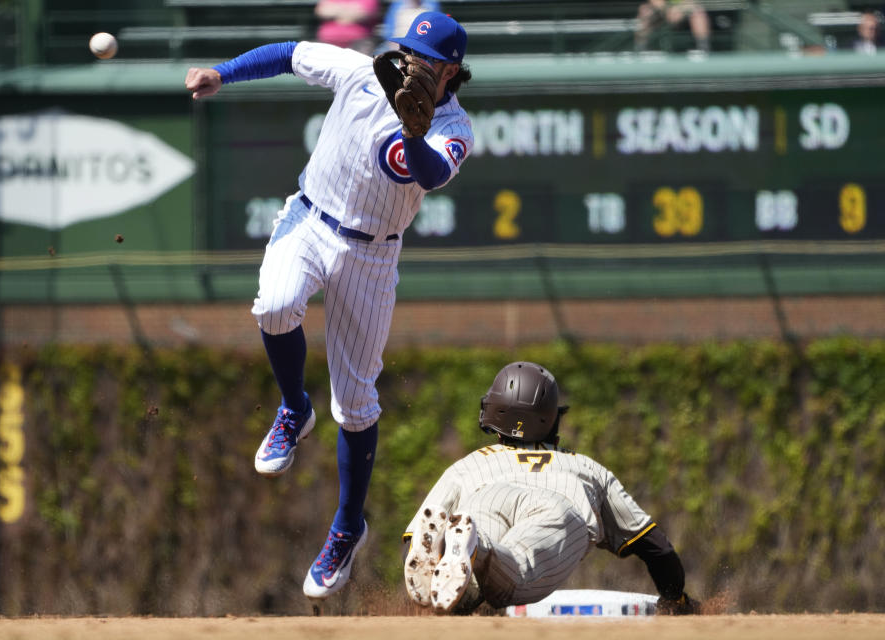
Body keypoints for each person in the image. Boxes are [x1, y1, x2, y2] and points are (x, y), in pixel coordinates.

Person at [184, 11, 474, 600]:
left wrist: (414, 132)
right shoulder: (360, 71)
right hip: (311, 218)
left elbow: (434, 172)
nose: (410, 65)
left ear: (449, 72)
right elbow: (291, 52)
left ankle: (347, 526)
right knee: (273, 306)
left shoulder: (454, 124)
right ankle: (294, 408)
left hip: (370, 256)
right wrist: (222, 72)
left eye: (424, 60)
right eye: (405, 53)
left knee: (358, 405)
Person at [402, 362, 700, 615]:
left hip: (486, 499)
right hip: (556, 511)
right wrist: (676, 598)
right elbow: (656, 547)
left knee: (471, 584)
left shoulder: (469, 464)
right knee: (514, 570)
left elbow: (413, 539)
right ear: (548, 419)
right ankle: (475, 546)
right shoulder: (586, 468)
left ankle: (469, 546)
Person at [635, 0, 711, 53]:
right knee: (645, 11)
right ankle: (641, 50)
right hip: (662, 11)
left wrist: (680, 9)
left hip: (684, 9)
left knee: (698, 12)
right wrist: (667, 10)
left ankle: (703, 49)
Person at [314, 0, 381, 54]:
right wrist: (348, 11)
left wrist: (336, 10)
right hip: (327, 41)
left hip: (358, 42)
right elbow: (322, 11)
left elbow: (362, 14)